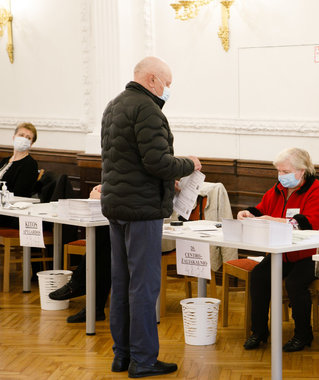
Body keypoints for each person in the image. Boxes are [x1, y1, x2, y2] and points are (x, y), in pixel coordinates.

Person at [100, 56, 201, 378]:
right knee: (143, 287)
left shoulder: (113, 105)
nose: (168, 90)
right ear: (153, 79)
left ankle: (122, 355)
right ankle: (143, 361)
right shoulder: (147, 108)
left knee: (122, 282)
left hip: (116, 205)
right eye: (167, 84)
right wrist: (189, 164)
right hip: (141, 210)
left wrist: (162, 176)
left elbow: (126, 160)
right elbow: (157, 161)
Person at [238, 147, 319, 352]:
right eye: (279, 171)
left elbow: (306, 224)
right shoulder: (278, 190)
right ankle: (259, 332)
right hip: (284, 252)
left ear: (302, 171)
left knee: (294, 283)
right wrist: (248, 213)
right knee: (259, 276)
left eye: (285, 172)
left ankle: (303, 334)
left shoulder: (318, 191)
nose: (281, 176)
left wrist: (271, 220)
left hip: (313, 253)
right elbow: (262, 209)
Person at [48, 185, 112, 324]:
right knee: (103, 237)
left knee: (104, 242)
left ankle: (79, 285)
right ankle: (92, 304)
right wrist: (104, 190)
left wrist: (106, 197)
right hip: (128, 219)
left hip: (151, 226)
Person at [0, 122, 38, 198]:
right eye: (21, 135)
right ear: (14, 137)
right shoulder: (5, 160)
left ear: (31, 143)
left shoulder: (30, 164)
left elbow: (20, 193)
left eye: (28, 138)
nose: (24, 139)